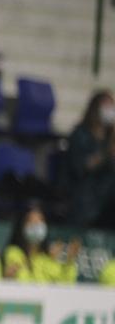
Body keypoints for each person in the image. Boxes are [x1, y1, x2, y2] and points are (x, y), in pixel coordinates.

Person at [64, 90, 115, 228]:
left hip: (107, 194)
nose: (110, 110)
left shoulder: (110, 138)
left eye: (112, 106)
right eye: (107, 106)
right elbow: (81, 166)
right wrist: (105, 154)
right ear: (95, 108)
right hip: (84, 191)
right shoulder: (80, 134)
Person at [3, 206, 79, 284]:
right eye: (31, 220)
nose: (36, 224)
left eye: (40, 220)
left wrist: (70, 261)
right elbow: (23, 282)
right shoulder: (13, 252)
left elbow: (66, 286)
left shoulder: (48, 259)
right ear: (22, 226)